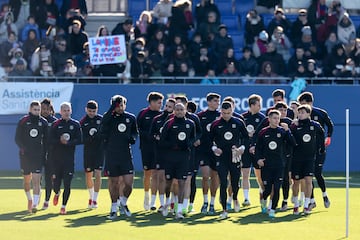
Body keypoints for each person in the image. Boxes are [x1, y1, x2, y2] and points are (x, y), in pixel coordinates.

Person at [100, 95, 138, 219]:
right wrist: (112, 107)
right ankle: (113, 207)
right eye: (118, 105)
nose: (120, 108)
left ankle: (123, 202)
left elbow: (134, 132)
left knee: (128, 183)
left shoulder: (130, 118)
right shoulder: (109, 118)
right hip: (111, 154)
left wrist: (133, 138)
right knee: (114, 182)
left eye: (122, 105)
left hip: (125, 154)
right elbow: (103, 124)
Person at [209, 101, 248, 219]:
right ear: (221, 111)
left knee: (235, 182)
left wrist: (242, 148)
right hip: (221, 157)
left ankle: (235, 197)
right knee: (223, 182)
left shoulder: (239, 122)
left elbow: (246, 138)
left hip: (235, 156)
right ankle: (224, 209)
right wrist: (215, 148)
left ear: (232, 111)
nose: (226, 115)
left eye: (229, 113)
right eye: (224, 113)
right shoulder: (215, 124)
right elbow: (210, 140)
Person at [298, 92, 334, 209]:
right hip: (306, 152)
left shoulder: (320, 113)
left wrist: (328, 136)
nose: (302, 108)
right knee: (308, 176)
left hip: (319, 149)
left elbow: (330, 125)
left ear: (310, 103)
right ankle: (311, 200)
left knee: (317, 173)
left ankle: (324, 195)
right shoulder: (300, 116)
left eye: (304, 104)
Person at [256, 110, 295, 218]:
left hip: (279, 165)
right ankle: (264, 199)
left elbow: (293, 143)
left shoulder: (282, 132)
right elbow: (258, 148)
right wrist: (258, 159)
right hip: (267, 165)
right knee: (267, 189)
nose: (276, 120)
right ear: (269, 119)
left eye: (278, 118)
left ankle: (272, 209)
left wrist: (288, 131)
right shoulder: (263, 132)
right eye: (274, 118)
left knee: (277, 188)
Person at [159, 102, 195, 219]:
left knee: (182, 182)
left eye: (181, 109)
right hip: (170, 157)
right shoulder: (169, 124)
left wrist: (187, 145)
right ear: (174, 111)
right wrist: (173, 145)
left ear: (185, 111)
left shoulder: (190, 124)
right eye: (177, 109)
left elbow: (193, 139)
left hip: (183, 157)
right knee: (168, 182)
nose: (179, 111)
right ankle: (167, 203)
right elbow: (162, 141)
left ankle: (179, 210)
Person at [290, 104, 325, 215]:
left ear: (309, 114)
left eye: (303, 112)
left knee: (308, 181)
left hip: (309, 158)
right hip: (296, 159)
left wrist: (321, 148)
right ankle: (296, 205)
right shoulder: (295, 126)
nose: (300, 115)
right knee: (296, 182)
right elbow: (289, 139)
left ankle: (306, 205)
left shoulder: (315, 125)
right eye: (299, 113)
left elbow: (321, 134)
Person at [15, 100, 48, 213]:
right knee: (27, 181)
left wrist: (45, 152)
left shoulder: (43, 122)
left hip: (37, 155)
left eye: (38, 110)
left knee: (36, 180)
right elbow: (17, 138)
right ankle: (29, 198)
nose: (37, 111)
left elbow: (47, 140)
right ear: (30, 109)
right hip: (25, 156)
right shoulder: (23, 121)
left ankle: (34, 204)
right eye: (35, 109)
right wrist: (23, 148)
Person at [49, 102, 81, 214]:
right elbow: (50, 140)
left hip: (69, 160)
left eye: (68, 110)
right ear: (60, 112)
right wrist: (59, 141)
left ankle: (63, 206)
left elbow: (80, 140)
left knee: (67, 183)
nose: (66, 112)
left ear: (71, 111)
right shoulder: (55, 124)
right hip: (56, 160)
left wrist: (68, 143)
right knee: (56, 184)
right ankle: (56, 193)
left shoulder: (76, 124)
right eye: (64, 110)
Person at [174, 96, 202, 214]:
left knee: (189, 179)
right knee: (175, 181)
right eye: (177, 106)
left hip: (190, 154)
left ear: (186, 106)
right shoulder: (171, 120)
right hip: (174, 154)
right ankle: (175, 203)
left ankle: (186, 205)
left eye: (181, 106)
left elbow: (199, 132)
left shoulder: (193, 119)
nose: (179, 108)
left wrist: (193, 141)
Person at [137, 92, 164, 211]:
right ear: (152, 102)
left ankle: (154, 199)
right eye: (159, 103)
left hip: (158, 149)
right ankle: (146, 195)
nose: (160, 105)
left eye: (161, 103)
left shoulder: (162, 115)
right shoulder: (143, 114)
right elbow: (136, 129)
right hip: (146, 148)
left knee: (156, 174)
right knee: (147, 173)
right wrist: (149, 135)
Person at [149, 98, 176, 213]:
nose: (167, 108)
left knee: (173, 180)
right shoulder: (157, 119)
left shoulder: (177, 121)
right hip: (160, 152)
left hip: (174, 154)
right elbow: (151, 134)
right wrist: (156, 137)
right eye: (167, 106)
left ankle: (172, 202)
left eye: (170, 107)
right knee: (160, 178)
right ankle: (162, 203)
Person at [196, 92, 220, 214]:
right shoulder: (200, 116)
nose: (217, 103)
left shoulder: (221, 116)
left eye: (218, 101)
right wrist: (196, 140)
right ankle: (205, 202)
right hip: (204, 151)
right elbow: (195, 132)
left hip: (216, 152)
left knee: (215, 176)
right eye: (215, 100)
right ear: (209, 102)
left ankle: (212, 202)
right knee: (205, 176)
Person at [241, 94, 266, 207]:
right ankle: (246, 198)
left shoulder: (263, 118)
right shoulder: (242, 117)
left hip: (257, 151)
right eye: (258, 104)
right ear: (252, 105)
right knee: (245, 174)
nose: (260, 106)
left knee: (259, 176)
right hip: (245, 150)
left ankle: (262, 192)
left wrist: (255, 145)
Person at [80, 100, 103, 209]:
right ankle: (91, 196)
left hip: (99, 151)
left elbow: (105, 134)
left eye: (94, 111)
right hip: (88, 151)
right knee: (89, 175)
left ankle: (95, 199)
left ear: (97, 110)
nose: (92, 113)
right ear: (86, 110)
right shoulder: (83, 122)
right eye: (90, 111)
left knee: (98, 174)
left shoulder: (101, 120)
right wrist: (87, 139)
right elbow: (80, 137)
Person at [40, 98, 57, 210]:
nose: (45, 111)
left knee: (50, 178)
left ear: (51, 109)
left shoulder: (55, 122)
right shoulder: (37, 120)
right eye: (43, 109)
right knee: (37, 177)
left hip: (52, 154)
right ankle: (37, 198)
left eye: (47, 109)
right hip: (38, 152)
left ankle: (47, 200)